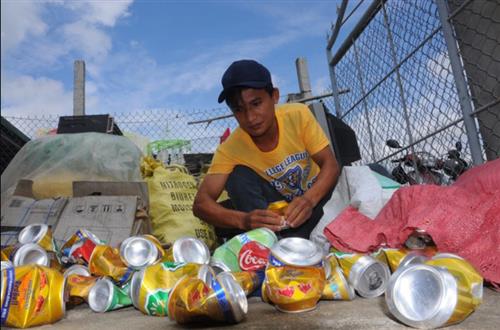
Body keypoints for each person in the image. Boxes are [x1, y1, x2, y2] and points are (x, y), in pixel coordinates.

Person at [193, 59, 340, 240]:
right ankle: (271, 239)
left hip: (318, 200)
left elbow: (330, 164)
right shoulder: (230, 148)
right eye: (239, 110)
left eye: (256, 103)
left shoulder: (297, 115)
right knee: (237, 175)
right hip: (281, 218)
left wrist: (309, 200)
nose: (250, 117)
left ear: (274, 96)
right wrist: (245, 220)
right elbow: (201, 204)